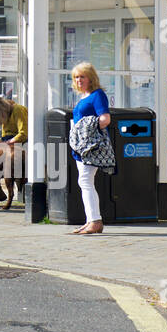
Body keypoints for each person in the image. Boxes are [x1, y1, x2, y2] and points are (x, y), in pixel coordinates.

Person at [69, 62, 111, 235]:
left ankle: (95, 221)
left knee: (85, 181)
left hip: (90, 145)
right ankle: (91, 220)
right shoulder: (84, 96)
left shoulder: (97, 95)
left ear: (90, 78)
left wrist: (88, 133)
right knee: (84, 181)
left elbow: (105, 118)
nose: (79, 80)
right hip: (81, 145)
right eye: (76, 77)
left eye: (82, 76)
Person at [0, 96, 27, 204]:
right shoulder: (6, 113)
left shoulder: (18, 110)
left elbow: (23, 133)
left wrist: (8, 142)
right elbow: (5, 135)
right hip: (10, 141)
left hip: (22, 142)